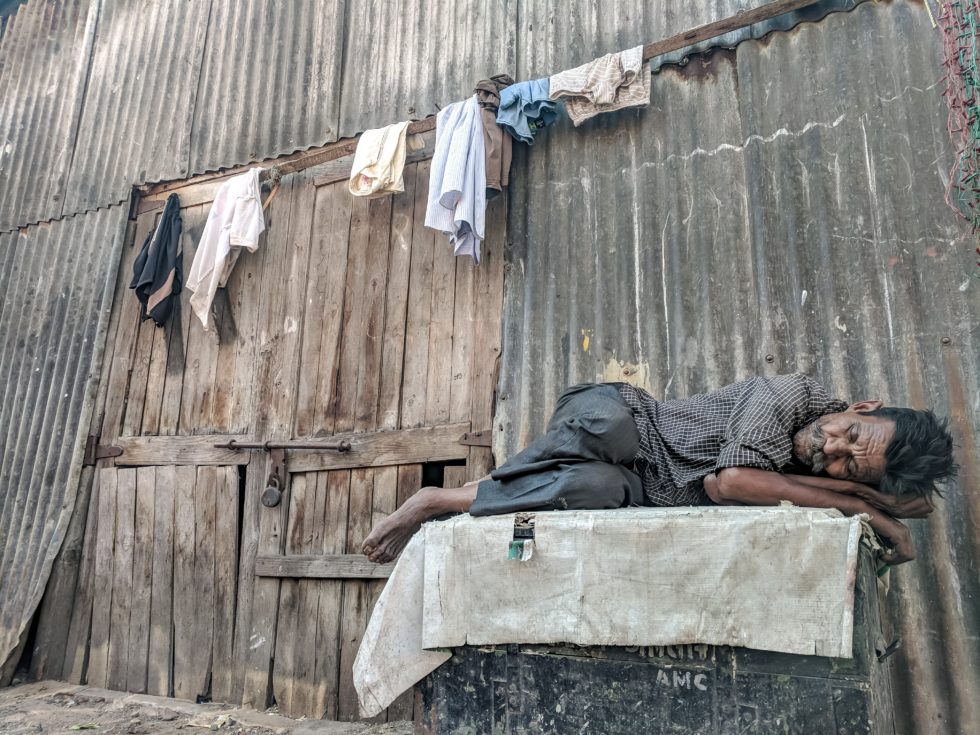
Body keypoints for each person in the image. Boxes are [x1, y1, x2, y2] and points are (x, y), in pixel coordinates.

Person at [362, 374, 956, 566]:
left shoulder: (823, 469)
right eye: (848, 433)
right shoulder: (794, 393)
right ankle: (439, 499)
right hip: (624, 415)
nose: (829, 448)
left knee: (590, 489)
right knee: (609, 433)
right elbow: (733, 483)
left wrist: (865, 491)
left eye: (847, 463)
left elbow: (917, 506)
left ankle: (437, 501)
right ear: (863, 407)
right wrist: (854, 499)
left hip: (645, 488)